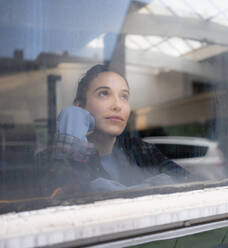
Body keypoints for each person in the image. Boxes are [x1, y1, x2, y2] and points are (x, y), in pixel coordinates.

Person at [38, 64, 188, 196]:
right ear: (79, 107)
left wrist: (134, 191)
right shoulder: (49, 158)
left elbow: (186, 179)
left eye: (124, 97)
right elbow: (58, 187)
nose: (118, 105)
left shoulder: (139, 149)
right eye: (104, 93)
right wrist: (72, 136)